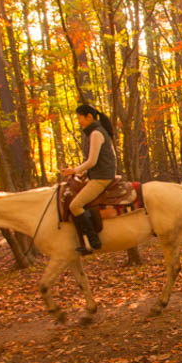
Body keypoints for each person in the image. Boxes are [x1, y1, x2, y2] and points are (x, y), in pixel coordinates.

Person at [60, 103, 118, 254]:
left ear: (89, 117)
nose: (79, 122)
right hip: (100, 174)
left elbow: (92, 161)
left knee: (75, 206)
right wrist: (83, 173)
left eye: (80, 118)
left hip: (101, 178)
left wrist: (74, 170)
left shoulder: (96, 134)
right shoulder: (99, 131)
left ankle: (93, 241)